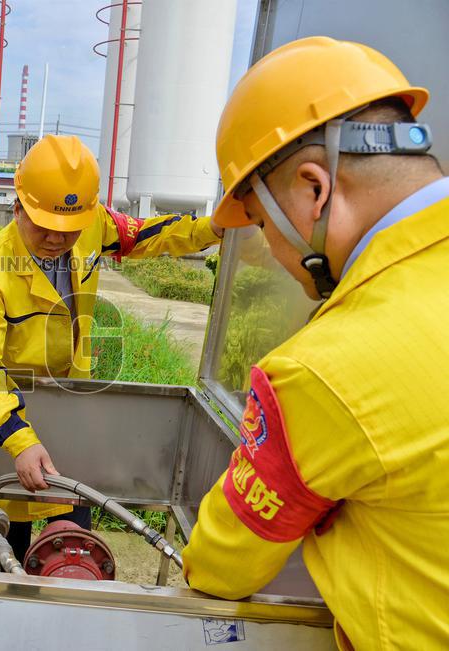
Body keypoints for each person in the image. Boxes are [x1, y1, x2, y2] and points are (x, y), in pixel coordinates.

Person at [181, 37, 449, 649]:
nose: (273, 254)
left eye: (260, 224)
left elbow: (222, 565)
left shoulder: (326, 370)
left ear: (314, 190)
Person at [0, 134, 223, 562]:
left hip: (76, 404)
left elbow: (144, 236)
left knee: (75, 528)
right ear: (18, 208)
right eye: (43, 226)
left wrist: (210, 229)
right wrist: (19, 440)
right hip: (19, 410)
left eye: (67, 230)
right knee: (14, 537)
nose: (56, 239)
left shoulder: (93, 226)